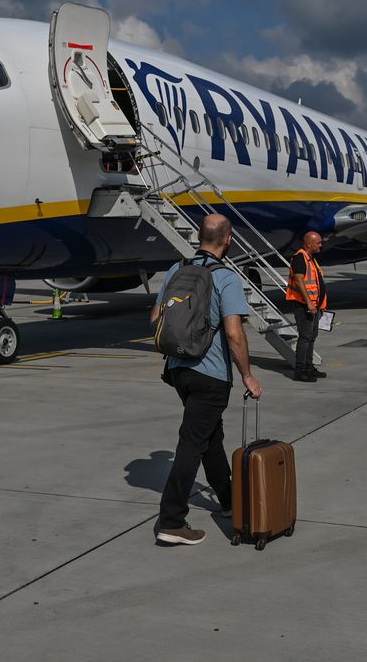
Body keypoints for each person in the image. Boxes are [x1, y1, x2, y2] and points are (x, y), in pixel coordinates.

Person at [149, 213, 263, 546]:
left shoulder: (176, 269)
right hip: (210, 375)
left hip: (178, 370)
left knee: (211, 437)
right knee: (192, 442)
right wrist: (247, 375)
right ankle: (171, 520)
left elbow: (156, 317)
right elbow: (234, 333)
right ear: (228, 241)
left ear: (200, 236)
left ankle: (228, 501)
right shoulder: (226, 277)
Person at [286, 231, 327, 382]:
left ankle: (309, 367)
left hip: (315, 306)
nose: (321, 245)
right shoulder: (300, 257)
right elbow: (298, 280)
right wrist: (309, 302)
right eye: (318, 243)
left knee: (311, 337)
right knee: (305, 337)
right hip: (304, 306)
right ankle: (300, 370)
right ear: (309, 244)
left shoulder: (311, 258)